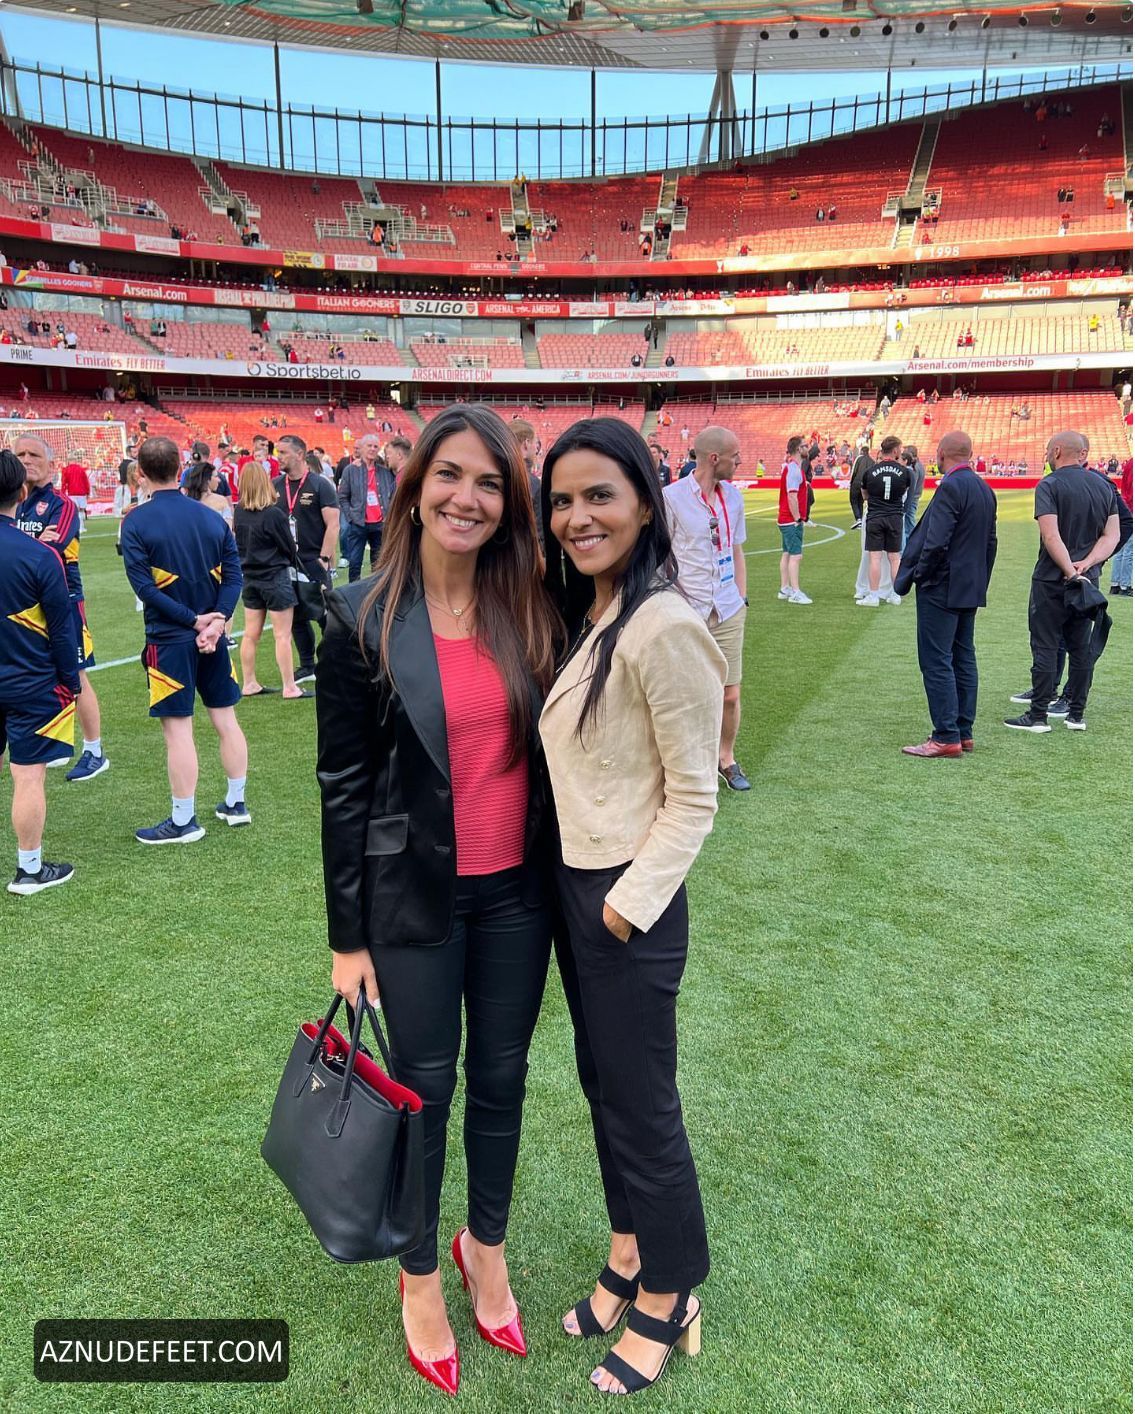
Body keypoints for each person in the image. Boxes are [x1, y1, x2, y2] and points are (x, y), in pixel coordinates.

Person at [316, 404, 561, 1398]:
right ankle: (419, 1273)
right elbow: (342, 785)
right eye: (450, 475)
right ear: (415, 488)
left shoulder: (531, 606)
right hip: (411, 899)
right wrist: (346, 939)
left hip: (518, 895)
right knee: (424, 1090)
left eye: (490, 482)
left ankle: (482, 1249)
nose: (468, 497)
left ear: (510, 502)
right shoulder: (358, 614)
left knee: (502, 1079)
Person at [539, 417, 723, 1395]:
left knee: (643, 1108)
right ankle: (626, 1253)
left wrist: (622, 908)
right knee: (604, 1088)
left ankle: (670, 1289)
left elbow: (694, 797)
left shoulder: (662, 625)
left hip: (626, 902)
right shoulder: (598, 610)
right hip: (579, 885)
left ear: (646, 505)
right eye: (562, 500)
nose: (578, 516)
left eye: (599, 495)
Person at [120, 437, 249, 840]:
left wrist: (196, 622)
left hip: (170, 640)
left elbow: (146, 590)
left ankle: (183, 821)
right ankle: (236, 802)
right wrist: (217, 622)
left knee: (178, 731)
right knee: (225, 719)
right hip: (212, 636)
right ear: (180, 468)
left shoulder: (135, 521)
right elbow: (234, 577)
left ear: (140, 473)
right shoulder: (211, 517)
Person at [0, 449, 80, 895]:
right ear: (21, 493)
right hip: (31, 681)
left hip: (22, 678)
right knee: (28, 774)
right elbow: (63, 630)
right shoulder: (41, 555)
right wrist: (71, 681)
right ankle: (29, 869)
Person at [1004, 431, 1119, 733]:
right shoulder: (1104, 485)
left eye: (1047, 452)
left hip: (1053, 580)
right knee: (1080, 647)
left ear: (1056, 451)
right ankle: (1076, 715)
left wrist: (1070, 570)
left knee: (1045, 645)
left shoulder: (1049, 484)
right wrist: (1087, 565)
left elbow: (1051, 535)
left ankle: (1038, 715)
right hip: (1087, 582)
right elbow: (1112, 535)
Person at [895, 431, 998, 757]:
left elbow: (936, 542)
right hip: (969, 585)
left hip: (942, 586)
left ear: (941, 454)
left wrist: (922, 576)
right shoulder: (984, 489)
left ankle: (945, 736)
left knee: (936, 659)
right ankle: (962, 732)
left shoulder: (951, 487)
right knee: (963, 656)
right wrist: (980, 580)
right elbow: (991, 543)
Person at [14, 435, 108, 783]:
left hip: (64, 601)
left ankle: (95, 751)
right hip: (25, 605)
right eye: (20, 454)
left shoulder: (61, 504)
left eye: (34, 454)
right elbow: (36, 547)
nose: (26, 460)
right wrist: (35, 541)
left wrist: (27, 545)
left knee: (76, 673)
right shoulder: (14, 503)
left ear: (51, 464)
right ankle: (55, 742)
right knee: (41, 671)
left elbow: (55, 548)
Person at [664, 426, 750, 791]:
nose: (740, 461)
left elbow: (736, 548)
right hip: (688, 610)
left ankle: (725, 757)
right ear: (714, 458)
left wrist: (741, 598)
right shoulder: (671, 498)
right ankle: (683, 764)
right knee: (685, 694)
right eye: (735, 456)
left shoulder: (734, 498)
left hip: (728, 607)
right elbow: (661, 555)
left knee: (730, 694)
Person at [233, 462, 309, 701]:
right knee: (282, 635)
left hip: (250, 577)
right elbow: (288, 547)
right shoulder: (274, 514)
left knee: (250, 634)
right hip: (274, 577)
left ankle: (249, 682)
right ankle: (289, 687)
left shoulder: (239, 512)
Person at [274, 435, 339, 682]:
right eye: (278, 452)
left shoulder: (320, 485)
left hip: (313, 561)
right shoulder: (275, 485)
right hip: (285, 563)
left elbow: (333, 524)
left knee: (326, 616)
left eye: (283, 452)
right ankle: (307, 665)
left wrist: (324, 558)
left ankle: (334, 661)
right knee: (295, 617)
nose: (278, 457)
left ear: (300, 454)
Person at [858, 435, 911, 607]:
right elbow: (905, 492)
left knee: (875, 557)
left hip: (875, 517)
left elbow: (864, 494)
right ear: (895, 450)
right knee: (895, 558)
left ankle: (873, 596)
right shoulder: (905, 472)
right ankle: (895, 594)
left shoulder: (870, 472)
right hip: (895, 517)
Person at [338, 433, 395, 584]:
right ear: (362, 448)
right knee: (355, 562)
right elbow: (342, 496)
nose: (372, 449)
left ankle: (376, 592)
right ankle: (353, 593)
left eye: (376, 446)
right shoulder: (350, 470)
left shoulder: (385, 471)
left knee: (378, 563)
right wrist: (350, 517)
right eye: (369, 445)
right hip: (358, 523)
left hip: (380, 524)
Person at [777, 436, 811, 604]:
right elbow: (792, 496)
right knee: (796, 556)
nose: (807, 448)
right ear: (798, 449)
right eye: (805, 446)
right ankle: (795, 592)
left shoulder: (792, 468)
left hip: (786, 519)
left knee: (787, 553)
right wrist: (798, 518)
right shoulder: (794, 469)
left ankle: (785, 588)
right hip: (790, 520)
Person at [507, 419, 545, 550]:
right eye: (535, 443)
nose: (536, 449)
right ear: (526, 444)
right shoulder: (533, 484)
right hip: (523, 555)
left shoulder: (495, 477)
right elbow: (539, 535)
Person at [183, 461, 233, 528]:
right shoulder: (221, 501)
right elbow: (228, 529)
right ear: (207, 480)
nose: (219, 480)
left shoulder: (185, 502)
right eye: (216, 476)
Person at [1109, 455, 1133, 595]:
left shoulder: (1130, 463)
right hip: (1131, 507)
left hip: (1125, 507)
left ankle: (1115, 584)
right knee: (1129, 550)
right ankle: (1125, 585)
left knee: (1122, 548)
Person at [58, 448, 90, 529]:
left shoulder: (66, 470)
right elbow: (86, 481)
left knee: (75, 510)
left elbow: (64, 483)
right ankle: (82, 527)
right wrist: (88, 492)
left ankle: (77, 527)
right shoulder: (81, 469)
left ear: (68, 460)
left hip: (72, 493)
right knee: (82, 510)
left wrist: (62, 493)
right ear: (75, 460)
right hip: (82, 493)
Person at [902, 443, 926, 549]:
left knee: (909, 523)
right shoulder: (919, 465)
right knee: (909, 521)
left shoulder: (914, 468)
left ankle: (913, 546)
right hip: (914, 497)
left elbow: (912, 486)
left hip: (911, 498)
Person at [849, 444, 873, 528]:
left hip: (856, 482)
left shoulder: (859, 458)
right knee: (860, 502)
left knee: (853, 500)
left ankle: (858, 519)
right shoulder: (872, 461)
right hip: (866, 484)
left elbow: (854, 471)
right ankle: (860, 520)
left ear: (862, 451)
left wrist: (851, 482)